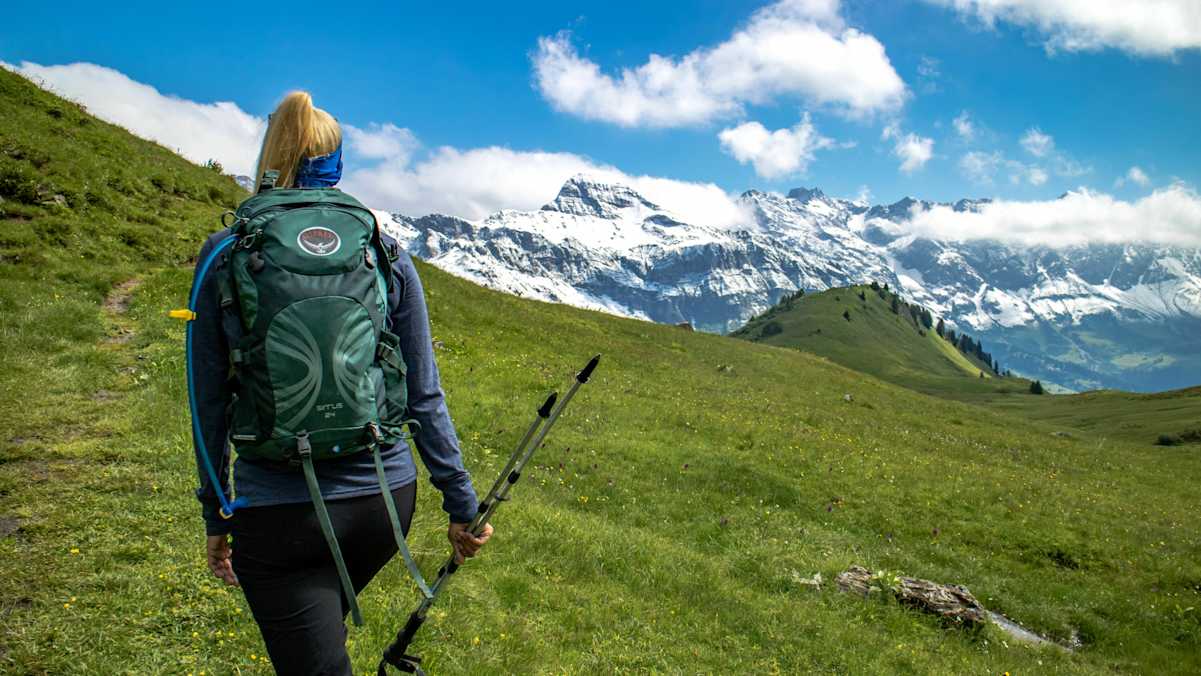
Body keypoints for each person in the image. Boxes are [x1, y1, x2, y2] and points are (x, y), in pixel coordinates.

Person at [189, 90, 493, 675]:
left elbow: (207, 405)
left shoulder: (225, 252)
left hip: (277, 511)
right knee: (319, 640)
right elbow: (425, 394)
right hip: (383, 501)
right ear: (338, 163)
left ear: (272, 157)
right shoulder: (383, 250)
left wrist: (216, 514)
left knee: (312, 651)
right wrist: (461, 503)